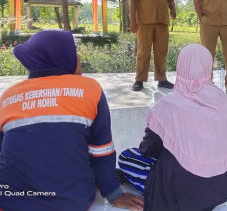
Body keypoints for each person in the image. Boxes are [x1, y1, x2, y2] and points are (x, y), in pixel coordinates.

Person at [0, 30, 143, 211]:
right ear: (61, 57)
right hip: (70, 200)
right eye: (73, 50)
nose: (79, 55)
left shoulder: (8, 96)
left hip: (11, 201)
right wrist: (114, 194)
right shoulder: (90, 89)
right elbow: (101, 151)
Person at [117, 44, 227, 211]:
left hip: (182, 192)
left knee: (127, 156)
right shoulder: (223, 100)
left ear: (180, 67)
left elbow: (148, 149)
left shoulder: (169, 105)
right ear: (207, 67)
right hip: (226, 184)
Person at [129, 0, 176, 91]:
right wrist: (132, 21)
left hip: (162, 22)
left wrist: (173, 9)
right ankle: (139, 80)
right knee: (143, 52)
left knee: (162, 51)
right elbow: (133, 1)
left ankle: (162, 79)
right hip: (144, 22)